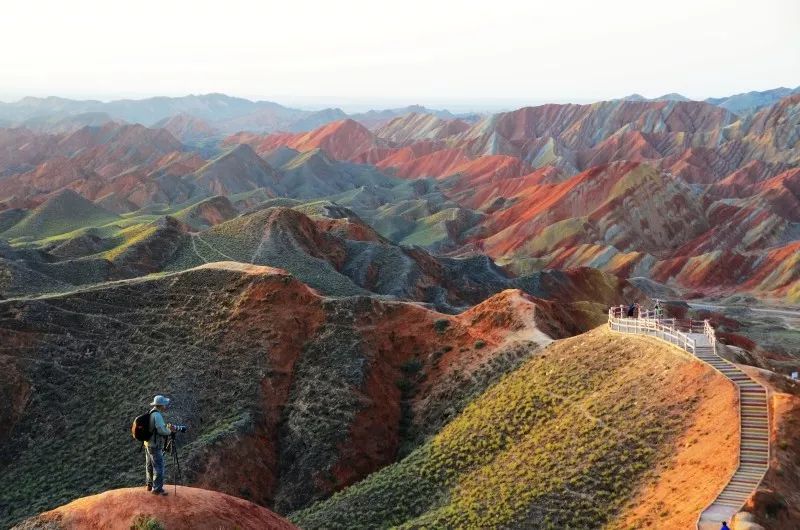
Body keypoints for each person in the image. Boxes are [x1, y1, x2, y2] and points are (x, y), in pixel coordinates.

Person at [145, 395, 176, 495]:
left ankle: (149, 484)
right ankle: (157, 488)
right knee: (159, 467)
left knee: (149, 465)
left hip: (147, 443)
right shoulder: (157, 415)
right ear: (161, 405)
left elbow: (155, 428)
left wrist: (165, 428)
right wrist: (170, 431)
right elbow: (161, 430)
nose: (165, 406)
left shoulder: (151, 412)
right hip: (154, 445)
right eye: (164, 404)